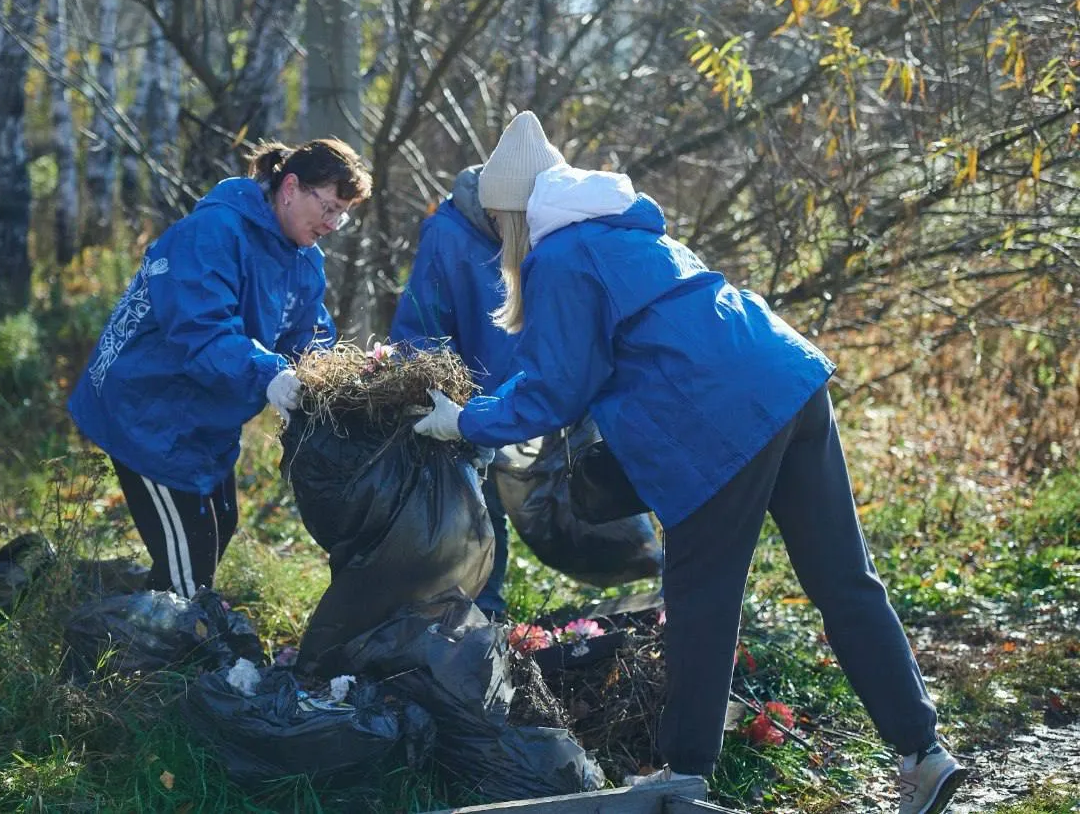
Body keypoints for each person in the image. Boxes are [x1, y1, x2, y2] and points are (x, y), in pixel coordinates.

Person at [412, 112, 966, 814]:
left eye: (498, 222)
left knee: (702, 595)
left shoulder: (559, 255)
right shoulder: (628, 229)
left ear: (514, 212)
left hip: (720, 416)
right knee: (845, 579)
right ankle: (923, 751)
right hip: (789, 376)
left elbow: (557, 386)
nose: (498, 239)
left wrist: (467, 419)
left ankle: (684, 771)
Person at [68, 138, 372, 598]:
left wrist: (343, 378)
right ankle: (157, 660)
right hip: (148, 410)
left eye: (341, 215)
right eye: (328, 207)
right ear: (290, 187)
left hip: (206, 417)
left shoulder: (305, 258)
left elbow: (308, 337)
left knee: (218, 528)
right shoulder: (213, 232)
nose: (332, 224)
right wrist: (270, 375)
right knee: (188, 569)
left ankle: (113, 605)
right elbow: (203, 332)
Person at [388, 163, 539, 619]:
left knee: (493, 512)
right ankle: (453, 609)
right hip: (455, 402)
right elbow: (423, 327)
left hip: (503, 398)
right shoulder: (448, 236)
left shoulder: (530, 231)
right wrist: (450, 401)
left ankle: (486, 610)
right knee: (470, 507)